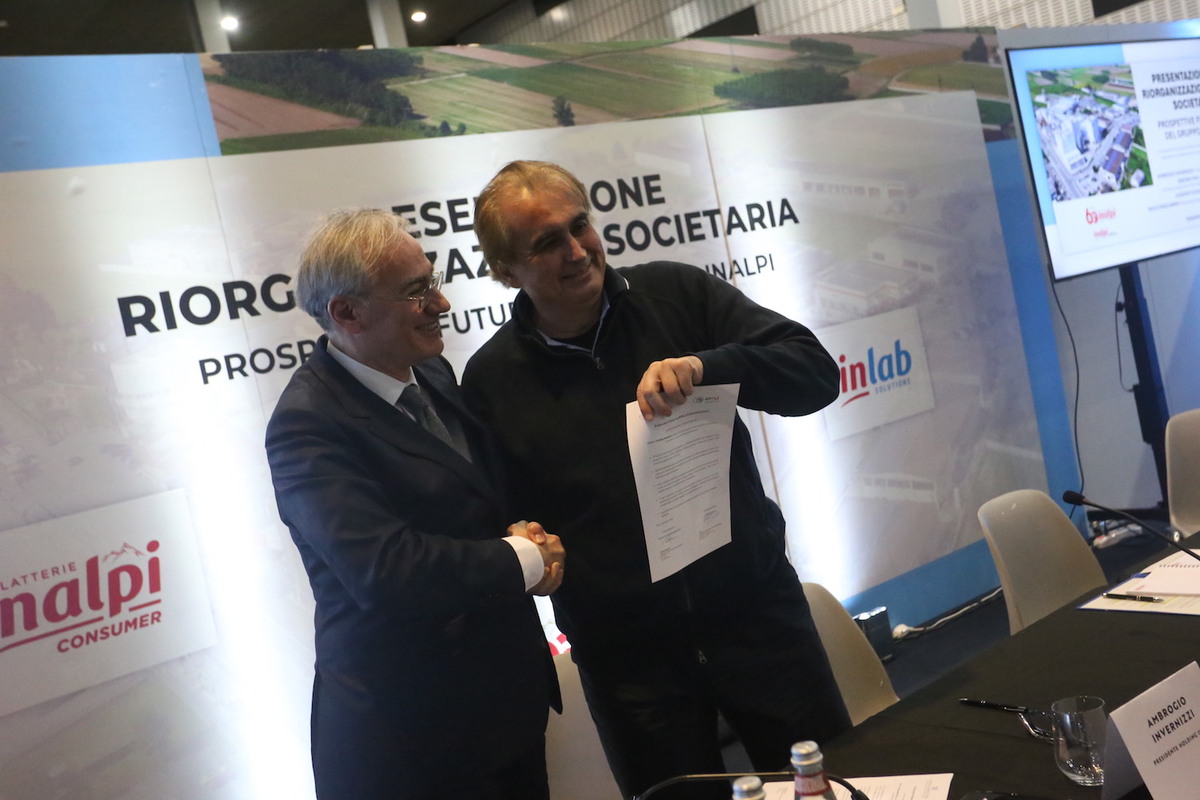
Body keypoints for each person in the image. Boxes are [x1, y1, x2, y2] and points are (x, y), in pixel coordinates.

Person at [462, 161, 852, 799]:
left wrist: (708, 367)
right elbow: (500, 518)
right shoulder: (490, 381)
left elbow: (814, 374)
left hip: (758, 622)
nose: (576, 251)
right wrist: (525, 542)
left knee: (829, 791)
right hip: (632, 668)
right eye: (547, 243)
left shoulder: (677, 295)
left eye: (580, 226)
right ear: (507, 271)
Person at [265, 208, 564, 800]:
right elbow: (387, 571)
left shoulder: (432, 371)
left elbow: (475, 504)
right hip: (408, 745)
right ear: (347, 313)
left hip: (504, 715)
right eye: (415, 291)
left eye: (433, 281)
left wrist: (525, 533)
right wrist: (525, 559)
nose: (441, 303)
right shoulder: (306, 427)